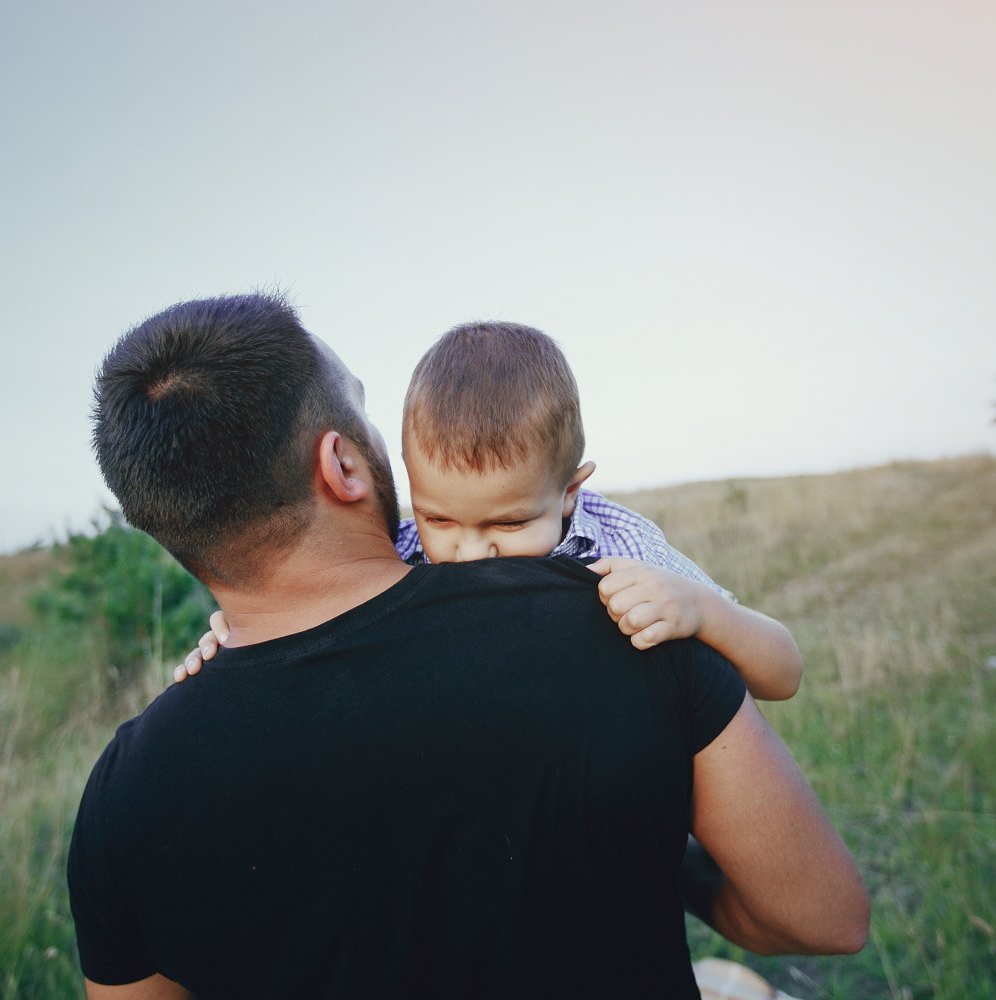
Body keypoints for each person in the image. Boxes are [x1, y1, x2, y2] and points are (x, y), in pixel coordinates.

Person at [67, 293, 868, 999]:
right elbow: (823, 914)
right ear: (342, 462)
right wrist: (661, 844)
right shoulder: (621, 624)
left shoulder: (122, 798)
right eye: (364, 413)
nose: (473, 545)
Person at [181, 322, 802, 706]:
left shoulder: (619, 545)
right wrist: (227, 642)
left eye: (508, 524)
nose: (471, 553)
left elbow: (782, 673)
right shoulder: (400, 552)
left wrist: (702, 610)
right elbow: (314, 624)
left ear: (568, 494)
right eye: (440, 520)